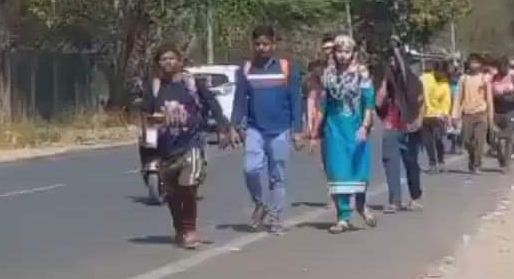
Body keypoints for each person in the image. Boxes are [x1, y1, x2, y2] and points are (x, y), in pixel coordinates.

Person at [145, 44, 225, 249]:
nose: (168, 62)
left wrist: (224, 126)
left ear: (180, 61)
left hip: (191, 143)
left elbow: (212, 104)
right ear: (158, 63)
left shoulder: (192, 84)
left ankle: (190, 229)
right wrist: (148, 151)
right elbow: (147, 118)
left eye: (172, 58)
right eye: (163, 59)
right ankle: (179, 228)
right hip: (165, 147)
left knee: (188, 186)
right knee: (171, 192)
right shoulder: (154, 87)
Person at [230, 25, 303, 235]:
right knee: (250, 169)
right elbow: (239, 101)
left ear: (274, 44)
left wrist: (297, 130)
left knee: (277, 176)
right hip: (255, 129)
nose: (262, 48)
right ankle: (259, 203)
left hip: (280, 130)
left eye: (266, 44)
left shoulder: (287, 67)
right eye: (258, 44)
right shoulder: (246, 69)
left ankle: (277, 217)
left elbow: (296, 100)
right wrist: (234, 126)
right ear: (253, 45)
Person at [309, 35, 377, 233]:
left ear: (353, 53)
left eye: (347, 51)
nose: (343, 56)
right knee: (338, 172)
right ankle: (343, 217)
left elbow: (368, 101)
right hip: (334, 128)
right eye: (339, 51)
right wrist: (314, 132)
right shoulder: (328, 74)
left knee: (359, 170)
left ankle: (361, 205)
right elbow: (323, 104)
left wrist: (365, 126)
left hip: (356, 127)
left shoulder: (361, 73)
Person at [377, 43, 425, 213]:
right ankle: (394, 200)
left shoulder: (413, 81)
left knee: (411, 162)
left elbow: (420, 104)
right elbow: (378, 102)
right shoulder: (388, 80)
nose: (392, 63)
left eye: (394, 60)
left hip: (409, 125)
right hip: (391, 124)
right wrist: (382, 88)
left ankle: (415, 196)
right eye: (389, 60)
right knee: (390, 161)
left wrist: (418, 120)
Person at [453, 54, 493, 173]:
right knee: (467, 141)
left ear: (480, 64)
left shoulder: (484, 78)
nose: (474, 65)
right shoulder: (463, 79)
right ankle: (472, 158)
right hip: (467, 114)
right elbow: (458, 97)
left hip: (481, 113)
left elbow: (489, 99)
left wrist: (490, 117)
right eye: (472, 62)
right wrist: (455, 115)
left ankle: (477, 164)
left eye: (476, 62)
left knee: (480, 142)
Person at [490, 57, 514, 170]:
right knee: (496, 139)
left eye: (505, 67)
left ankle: (507, 164)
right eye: (501, 67)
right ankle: (501, 158)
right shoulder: (494, 78)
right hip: (497, 111)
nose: (503, 69)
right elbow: (490, 93)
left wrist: (507, 96)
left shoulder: (513, 78)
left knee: (509, 138)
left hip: (510, 111)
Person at [419, 61, 451, 173]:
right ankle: (433, 163)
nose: (440, 75)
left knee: (439, 139)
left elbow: (446, 101)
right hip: (426, 115)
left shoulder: (444, 83)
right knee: (428, 141)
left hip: (438, 116)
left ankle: (441, 161)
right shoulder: (425, 78)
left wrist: (445, 114)